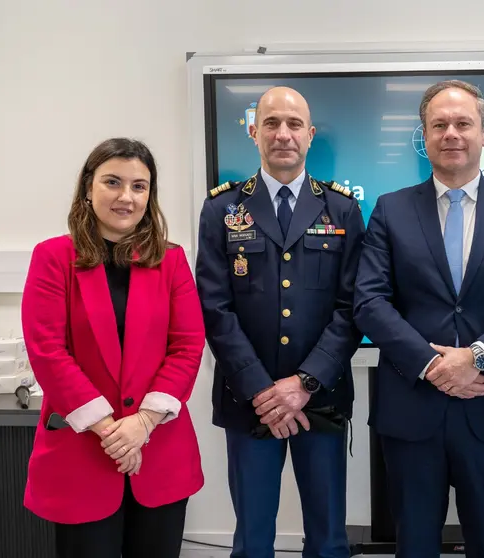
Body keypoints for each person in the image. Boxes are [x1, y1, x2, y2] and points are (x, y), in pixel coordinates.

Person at [353, 80, 484, 558]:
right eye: (439, 124)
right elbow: (369, 301)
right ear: (424, 136)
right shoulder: (391, 208)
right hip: (413, 406)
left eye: (463, 123)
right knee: (414, 542)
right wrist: (435, 365)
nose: (451, 134)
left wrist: (477, 358)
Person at [195, 86, 365, 558]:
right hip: (249, 401)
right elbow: (214, 308)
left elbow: (353, 308)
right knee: (252, 539)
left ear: (310, 135)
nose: (282, 134)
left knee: (329, 538)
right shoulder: (222, 209)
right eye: (271, 123)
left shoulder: (343, 210)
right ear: (254, 132)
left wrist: (304, 382)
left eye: (293, 125)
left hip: (321, 397)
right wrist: (262, 390)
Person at [20, 138, 206, 558]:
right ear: (89, 188)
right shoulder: (53, 257)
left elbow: (188, 346)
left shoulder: (171, 260)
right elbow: (48, 351)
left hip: (159, 450)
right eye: (113, 182)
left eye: (139, 186)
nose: (127, 196)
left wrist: (142, 423)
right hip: (83, 452)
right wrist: (113, 431)